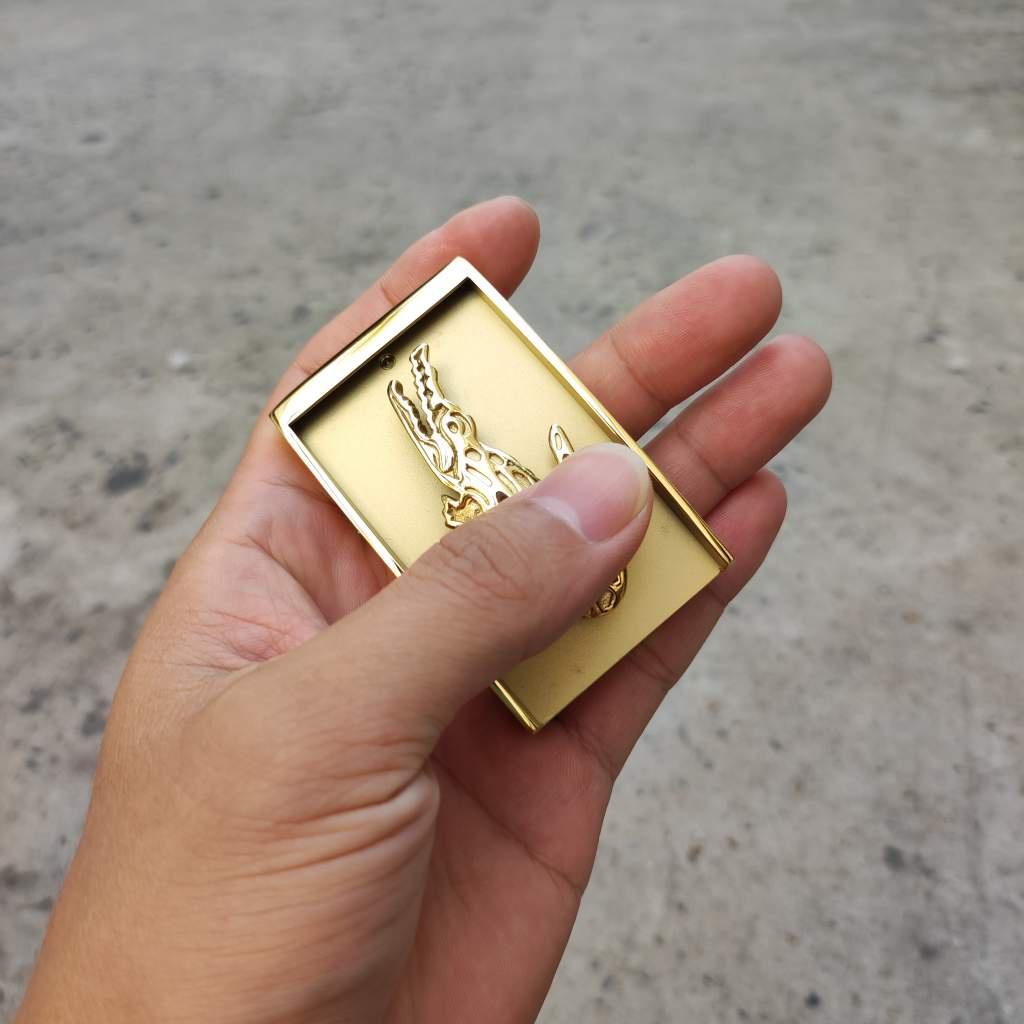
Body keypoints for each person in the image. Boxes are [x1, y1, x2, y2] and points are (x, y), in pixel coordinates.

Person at [14, 197, 831, 1023]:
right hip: (488, 496)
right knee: (444, 436)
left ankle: (418, 394)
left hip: (495, 501)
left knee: (443, 436)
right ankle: (418, 393)